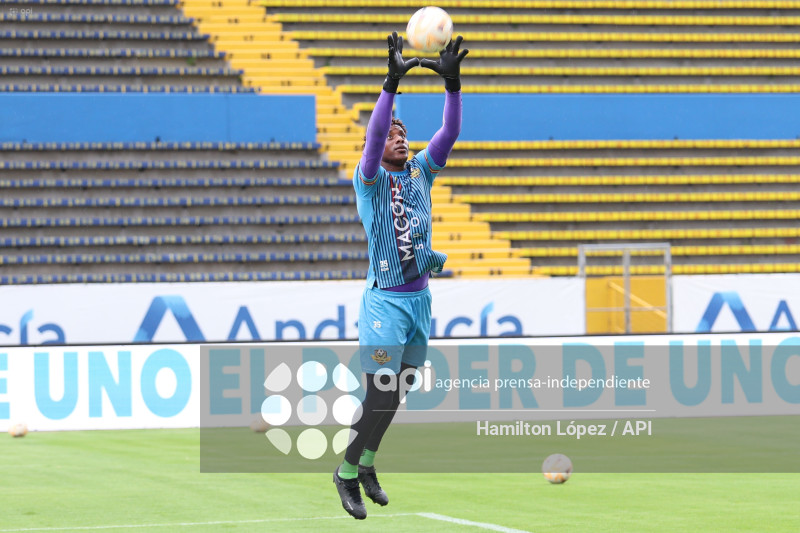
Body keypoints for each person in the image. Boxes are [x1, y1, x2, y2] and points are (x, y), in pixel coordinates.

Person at [332, 31, 468, 520]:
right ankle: (346, 472)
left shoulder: (419, 173)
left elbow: (448, 135)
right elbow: (372, 137)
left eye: (402, 130)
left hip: (419, 303)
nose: (398, 133)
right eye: (391, 131)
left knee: (400, 388)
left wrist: (452, 85)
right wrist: (391, 83)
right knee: (379, 387)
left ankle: (367, 462)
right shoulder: (369, 180)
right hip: (385, 303)